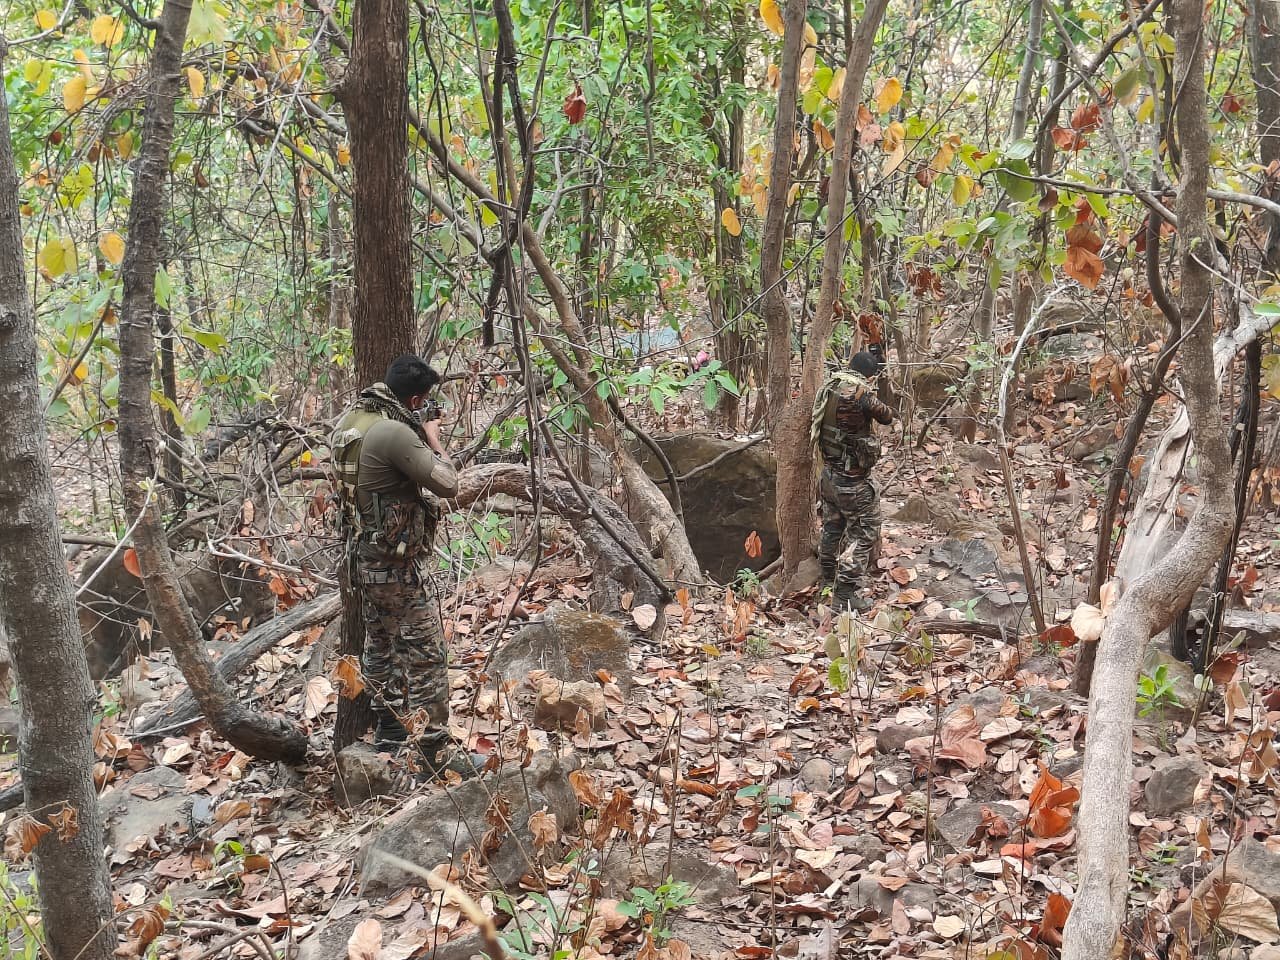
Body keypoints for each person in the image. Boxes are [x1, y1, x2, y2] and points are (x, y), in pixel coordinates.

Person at [330, 355, 477, 780]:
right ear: (414, 400)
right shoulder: (395, 433)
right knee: (427, 651)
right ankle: (435, 751)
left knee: (381, 642)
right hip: (397, 565)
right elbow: (448, 484)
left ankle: (390, 730)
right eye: (424, 404)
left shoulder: (352, 421)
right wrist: (431, 438)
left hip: (363, 558)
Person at [810, 350, 894, 612]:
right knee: (865, 532)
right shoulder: (861, 395)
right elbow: (887, 416)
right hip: (852, 483)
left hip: (829, 477)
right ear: (870, 374)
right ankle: (844, 595)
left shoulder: (830, 386)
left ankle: (827, 581)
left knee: (832, 529)